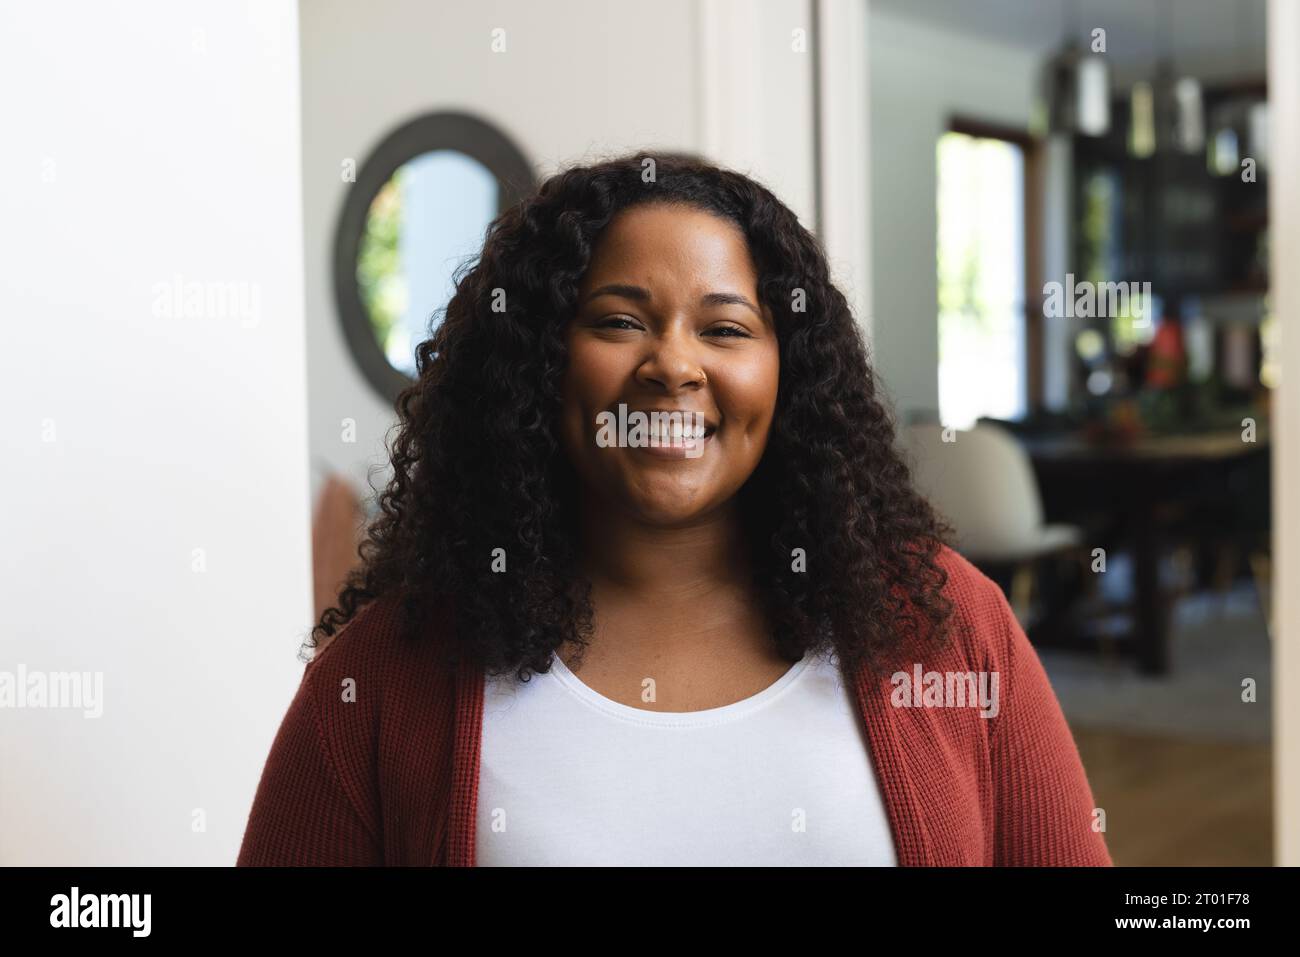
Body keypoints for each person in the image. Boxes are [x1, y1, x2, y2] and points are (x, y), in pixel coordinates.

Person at [237, 152, 1111, 866]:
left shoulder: (944, 622)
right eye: (619, 321)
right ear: (540, 362)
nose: (674, 365)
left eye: (725, 329)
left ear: (789, 374)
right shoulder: (386, 676)